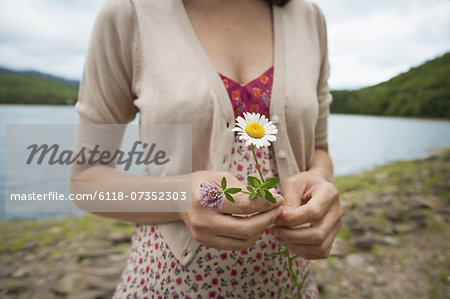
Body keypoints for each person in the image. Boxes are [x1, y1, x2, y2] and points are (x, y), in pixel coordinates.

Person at [72, 0, 344, 297]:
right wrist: (178, 198)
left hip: (288, 283)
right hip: (168, 283)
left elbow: (319, 149)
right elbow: (86, 181)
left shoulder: (309, 18)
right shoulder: (129, 13)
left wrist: (320, 182)